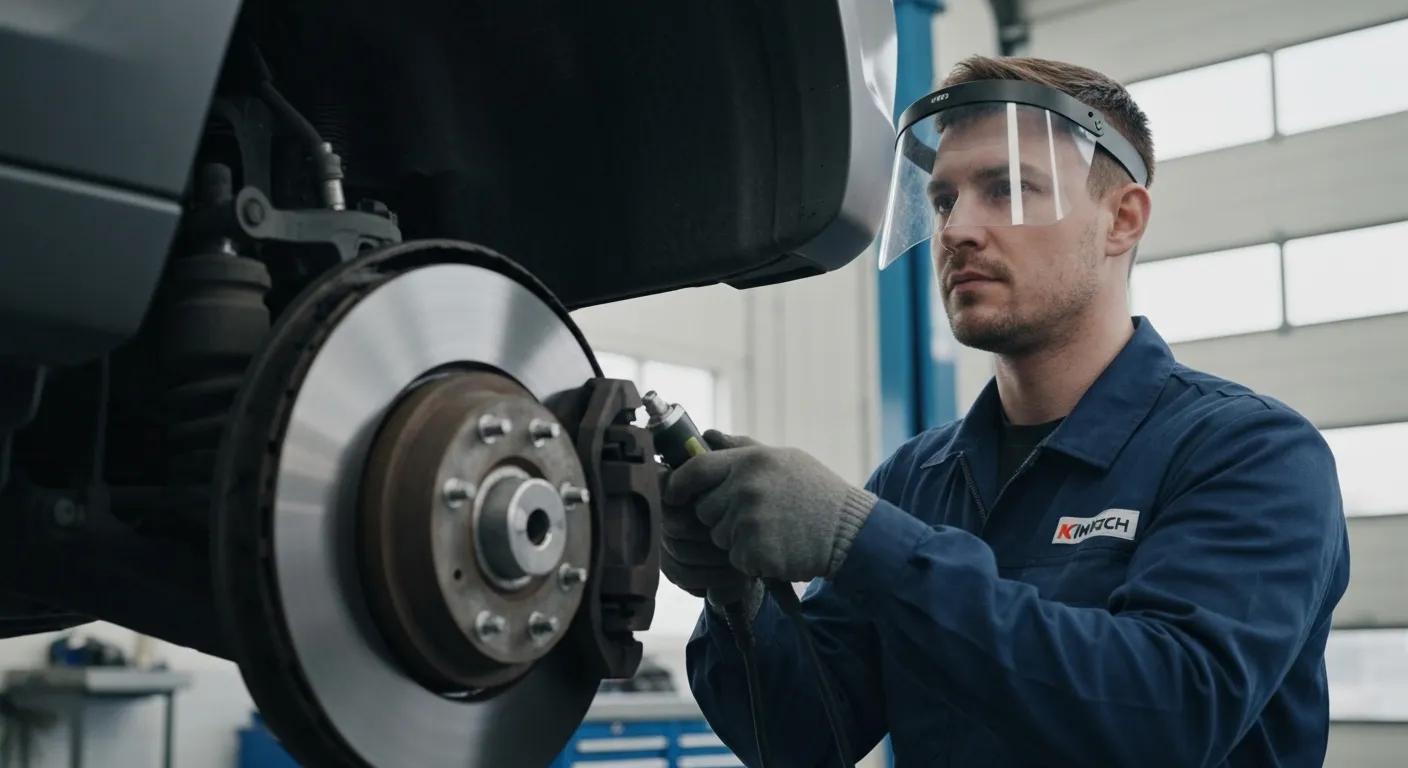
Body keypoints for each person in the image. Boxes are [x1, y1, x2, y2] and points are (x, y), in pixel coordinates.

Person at [660, 55, 1350, 767]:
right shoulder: (918, 479)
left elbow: (1168, 715)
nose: (957, 230)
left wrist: (865, 543)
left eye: (1009, 188)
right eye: (943, 200)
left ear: (1123, 219)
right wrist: (740, 601)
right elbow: (804, 736)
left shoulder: (1251, 453)